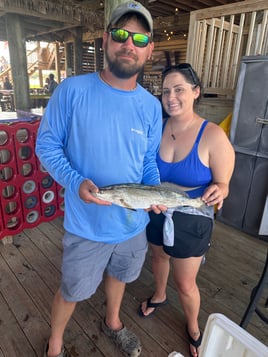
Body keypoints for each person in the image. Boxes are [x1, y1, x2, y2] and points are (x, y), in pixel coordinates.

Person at [35, 2, 165, 357]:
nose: (130, 44)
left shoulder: (151, 106)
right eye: (122, 34)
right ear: (107, 40)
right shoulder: (72, 90)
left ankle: (112, 323)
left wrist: (153, 192)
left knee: (120, 276)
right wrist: (75, 181)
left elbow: (148, 162)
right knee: (73, 289)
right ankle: (55, 343)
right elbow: (46, 145)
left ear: (149, 49)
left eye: (140, 38)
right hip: (85, 226)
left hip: (131, 223)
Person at [139, 64, 235, 357]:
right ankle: (159, 293)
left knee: (185, 282)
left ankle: (193, 326)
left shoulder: (213, 136)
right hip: (155, 209)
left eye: (179, 89)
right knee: (157, 256)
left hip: (192, 220)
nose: (171, 97)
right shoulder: (156, 127)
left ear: (195, 92)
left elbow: (223, 184)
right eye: (166, 91)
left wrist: (222, 188)